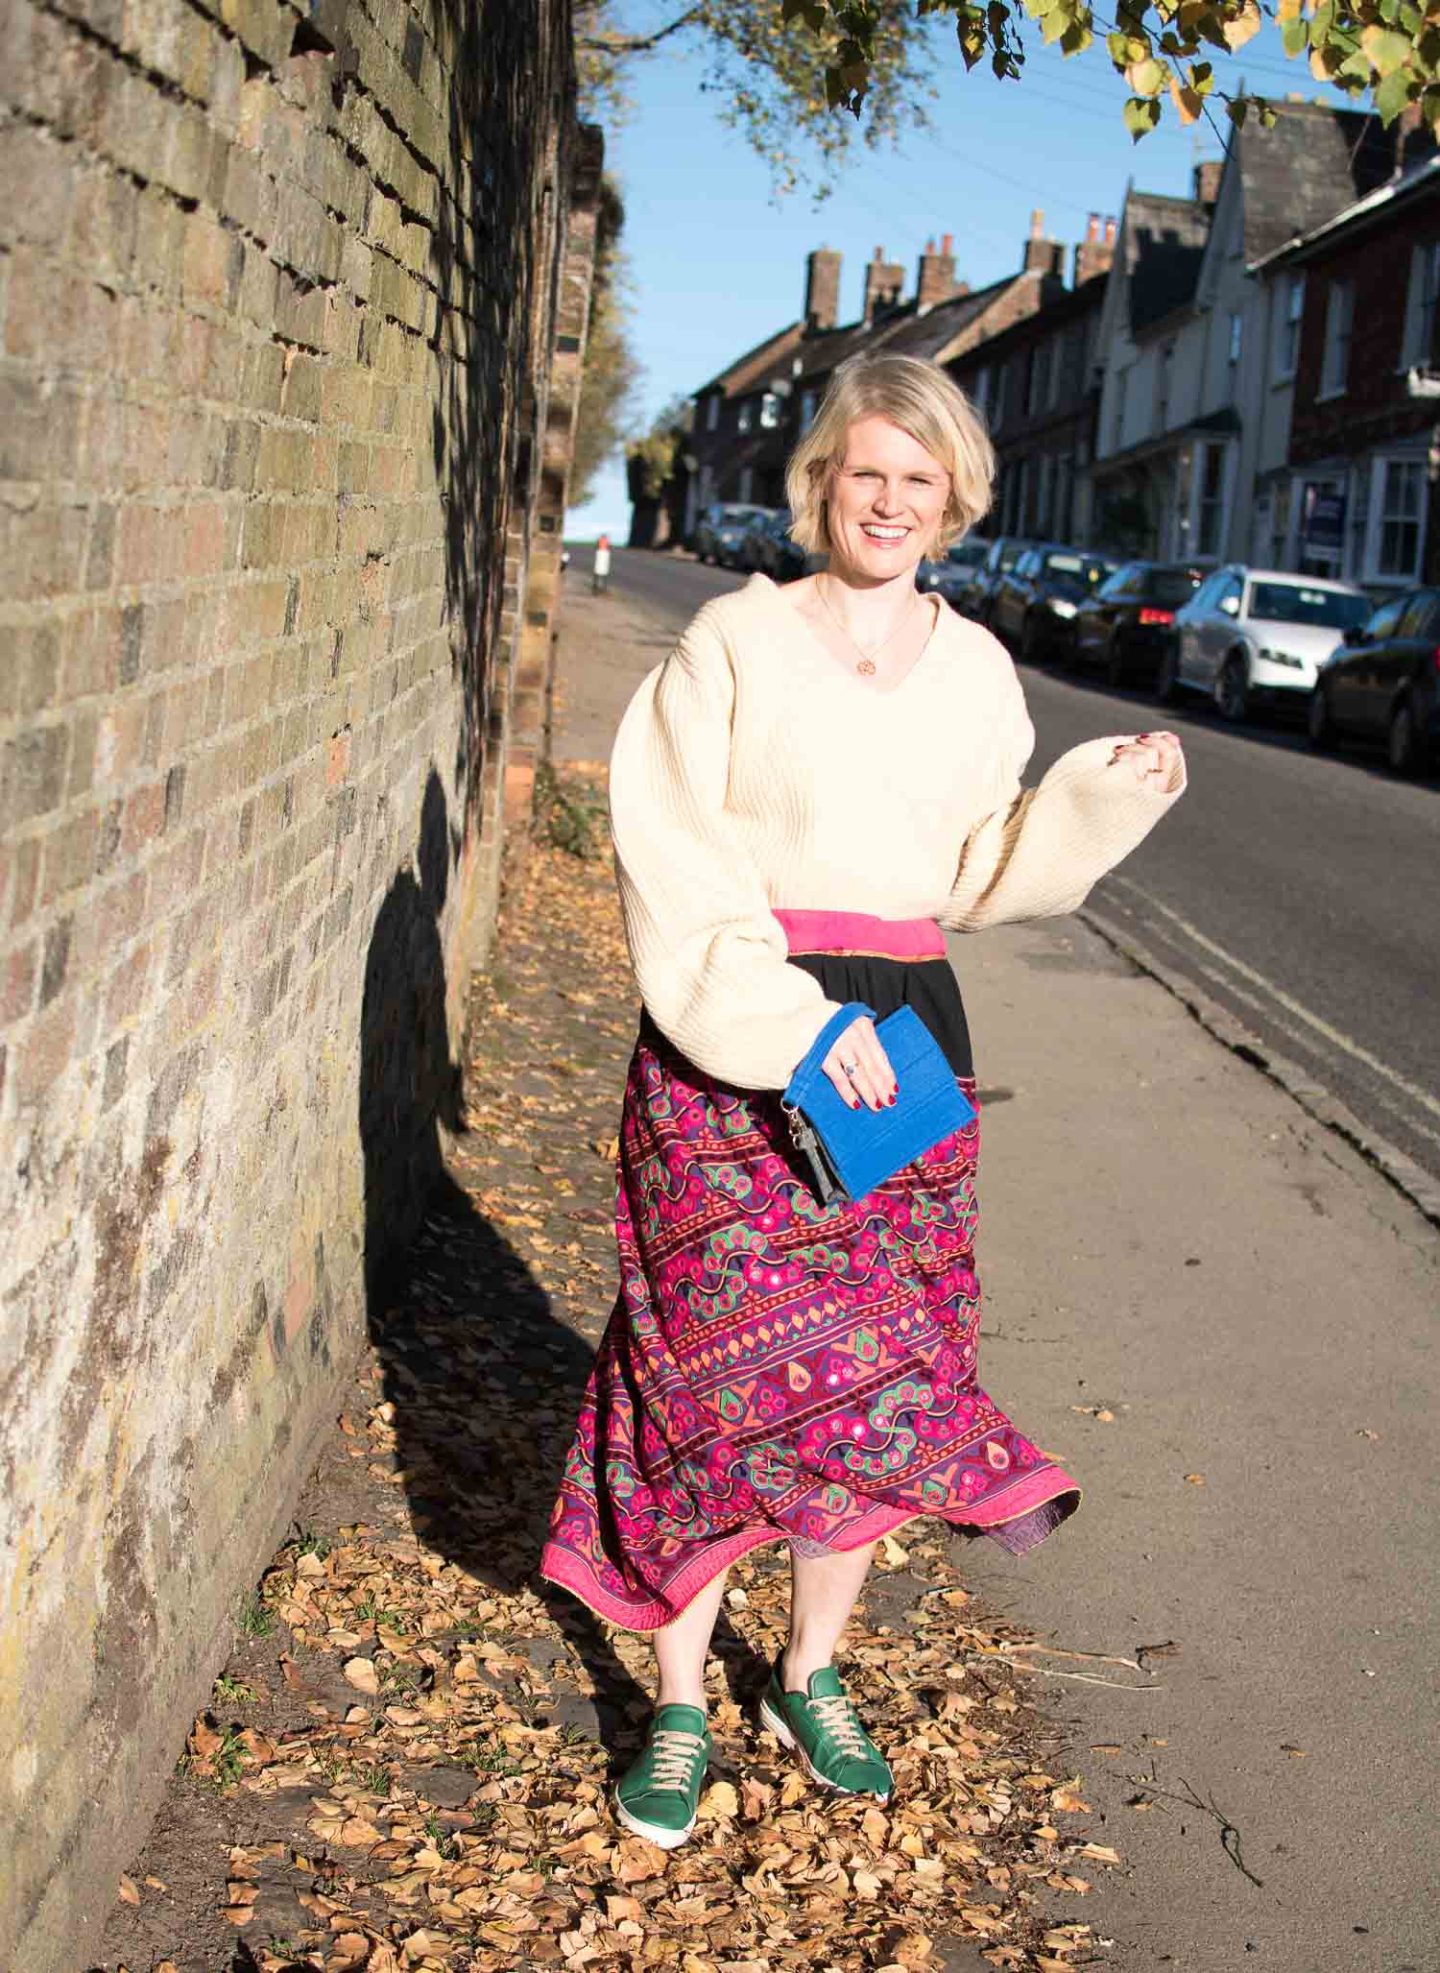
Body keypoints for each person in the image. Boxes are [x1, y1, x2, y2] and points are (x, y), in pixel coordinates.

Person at [539, 352, 1185, 1850]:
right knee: (694, 1371)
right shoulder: (733, 639)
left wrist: (1102, 800)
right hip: (736, 1029)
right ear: (820, 478)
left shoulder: (977, 670)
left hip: (906, 1044)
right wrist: (789, 1023)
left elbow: (974, 873)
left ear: (957, 496)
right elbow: (676, 851)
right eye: (863, 472)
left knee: (887, 1365)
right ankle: (685, 1701)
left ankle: (811, 1673)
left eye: (919, 478)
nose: (888, 500)